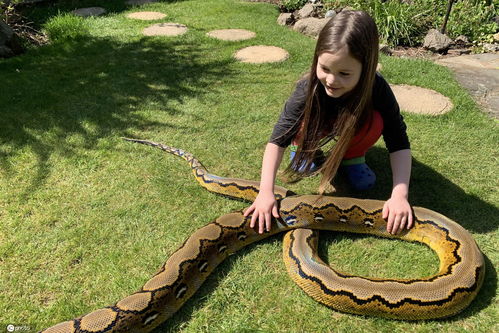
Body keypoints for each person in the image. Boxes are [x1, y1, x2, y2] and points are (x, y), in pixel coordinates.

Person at [244, 10, 413, 236]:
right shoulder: (308, 88)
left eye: (344, 73)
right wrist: (266, 191)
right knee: (303, 123)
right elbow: (277, 139)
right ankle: (304, 149)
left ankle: (352, 157)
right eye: (324, 68)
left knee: (377, 121)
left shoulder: (377, 87)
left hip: (351, 130)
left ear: (367, 69)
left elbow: (398, 140)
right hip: (315, 128)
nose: (331, 80)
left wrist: (399, 195)